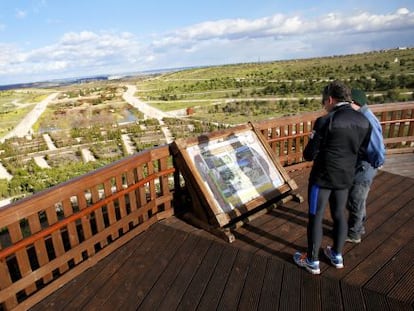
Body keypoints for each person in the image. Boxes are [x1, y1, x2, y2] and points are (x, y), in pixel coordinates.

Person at [293, 80, 372, 274]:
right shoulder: (364, 121)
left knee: (315, 217)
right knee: (339, 215)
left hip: (321, 179)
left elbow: (309, 154)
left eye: (324, 102)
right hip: (346, 177)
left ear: (330, 99)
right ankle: (336, 255)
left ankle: (312, 261)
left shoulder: (325, 121)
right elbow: (363, 151)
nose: (324, 106)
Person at [346, 89, 386, 243]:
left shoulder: (367, 120)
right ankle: (358, 227)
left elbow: (377, 148)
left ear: (355, 103)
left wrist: (377, 163)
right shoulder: (362, 116)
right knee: (356, 198)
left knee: (356, 199)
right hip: (362, 165)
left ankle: (354, 234)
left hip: (365, 166)